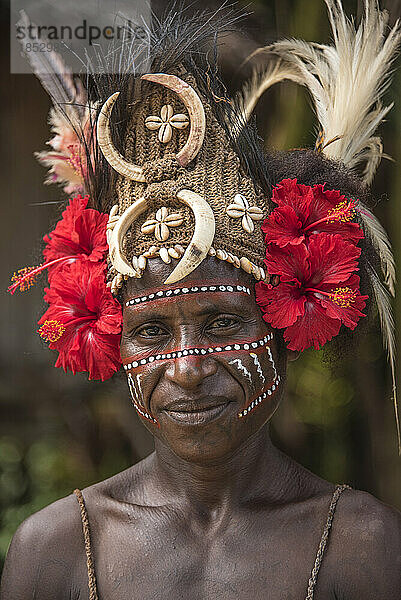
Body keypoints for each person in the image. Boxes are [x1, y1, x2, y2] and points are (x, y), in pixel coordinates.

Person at [1, 1, 400, 598]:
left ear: (286, 326)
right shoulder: (54, 551)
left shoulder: (361, 545)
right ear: (111, 338)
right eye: (153, 332)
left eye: (219, 322)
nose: (187, 368)